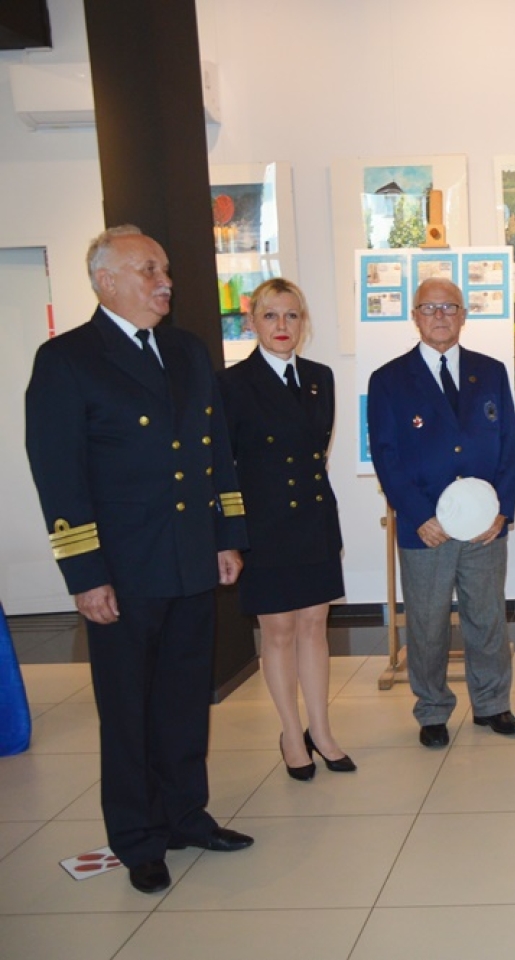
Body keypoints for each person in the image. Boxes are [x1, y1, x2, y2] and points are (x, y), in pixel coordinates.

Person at [24, 225, 253, 895]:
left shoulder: (185, 351)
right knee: (127, 711)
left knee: (184, 699)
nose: (165, 281)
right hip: (123, 572)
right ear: (107, 282)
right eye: (149, 269)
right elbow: (59, 478)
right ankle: (138, 837)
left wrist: (227, 534)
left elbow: (215, 452)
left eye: (165, 269)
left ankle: (186, 815)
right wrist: (85, 575)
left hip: (189, 558)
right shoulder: (68, 359)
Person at [367, 277, 515, 748]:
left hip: (484, 528)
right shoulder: (388, 380)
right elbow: (386, 457)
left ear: (463, 316)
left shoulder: (490, 372)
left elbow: (509, 447)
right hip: (426, 529)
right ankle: (432, 710)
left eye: (449, 307)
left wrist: (502, 512)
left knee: (487, 617)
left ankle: (493, 704)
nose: (439, 316)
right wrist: (418, 516)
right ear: (414, 316)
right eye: (429, 308)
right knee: (427, 623)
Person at [218, 279, 354, 779]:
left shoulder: (320, 377)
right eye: (271, 316)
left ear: (304, 322)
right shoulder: (231, 384)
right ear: (252, 322)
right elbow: (223, 467)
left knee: (315, 626)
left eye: (292, 316)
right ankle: (291, 734)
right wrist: (229, 537)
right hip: (264, 524)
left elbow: (316, 453)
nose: (282, 326)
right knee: (278, 632)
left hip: (313, 520)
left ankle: (322, 731)